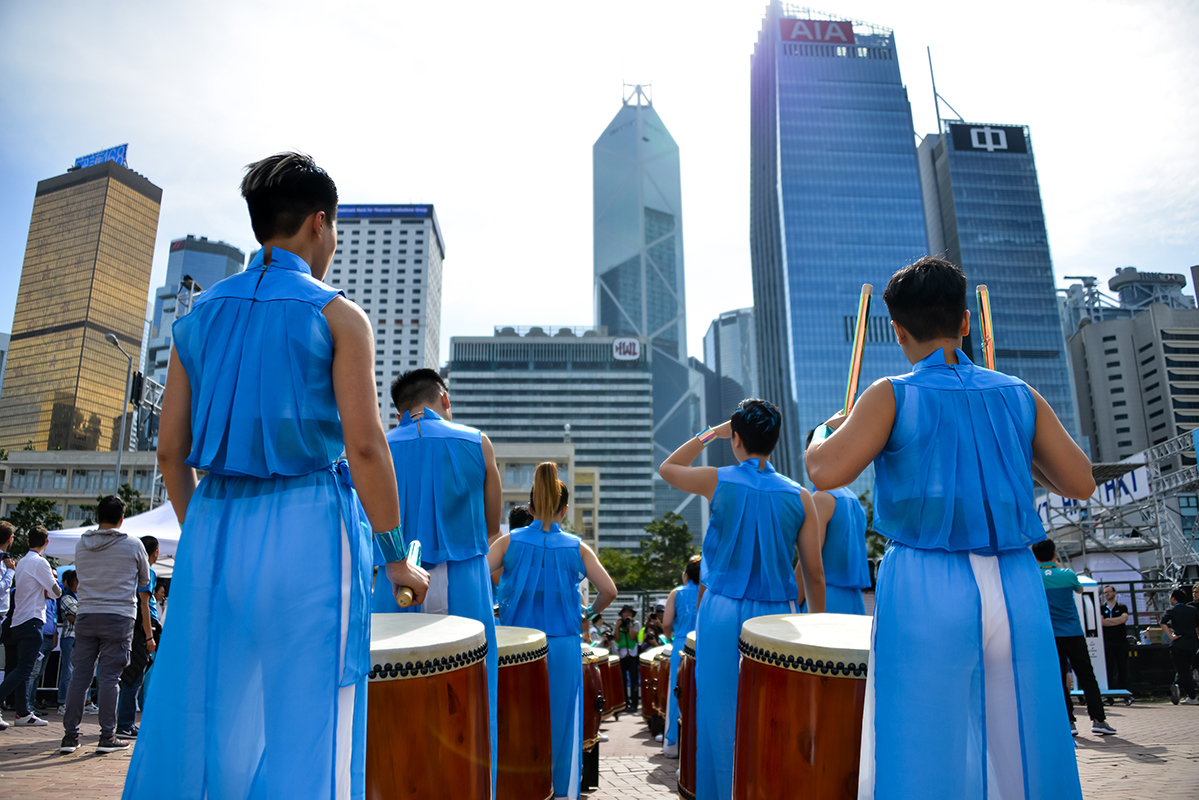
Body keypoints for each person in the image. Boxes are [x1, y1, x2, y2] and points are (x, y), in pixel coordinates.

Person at [121, 153, 428, 797]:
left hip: (214, 529)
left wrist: (202, 528)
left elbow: (170, 452)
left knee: (208, 711)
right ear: (320, 223)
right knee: (311, 716)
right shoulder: (337, 314)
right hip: (309, 525)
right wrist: (396, 557)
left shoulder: (195, 319)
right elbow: (367, 448)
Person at [805, 256, 1098, 799]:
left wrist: (825, 431)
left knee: (920, 738)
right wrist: (1018, 452)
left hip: (924, 577)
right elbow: (1079, 481)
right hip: (1015, 581)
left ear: (896, 330)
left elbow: (824, 471)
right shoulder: (1017, 392)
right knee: (1026, 739)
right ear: (966, 321)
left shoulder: (891, 392)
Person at [660, 400, 824, 800]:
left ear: (736, 437)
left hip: (719, 610)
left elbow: (668, 468)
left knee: (719, 717)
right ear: (775, 440)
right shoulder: (800, 496)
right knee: (772, 718)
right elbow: (814, 574)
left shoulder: (719, 480)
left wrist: (710, 433)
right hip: (776, 617)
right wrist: (819, 630)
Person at [372, 368, 502, 793]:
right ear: (443, 399)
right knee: (475, 696)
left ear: (399, 411)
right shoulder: (477, 441)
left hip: (395, 578)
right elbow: (492, 525)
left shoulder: (380, 447)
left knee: (391, 700)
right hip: (465, 575)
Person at [489, 462, 618, 800]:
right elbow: (609, 590)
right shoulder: (577, 547)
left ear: (530, 508)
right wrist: (587, 613)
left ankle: (516, 789)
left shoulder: (509, 542)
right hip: (563, 645)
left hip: (517, 647)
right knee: (562, 724)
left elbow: (479, 572)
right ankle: (561, 792)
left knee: (516, 719)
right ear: (564, 509)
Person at [59, 496, 150, 753]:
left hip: (86, 613)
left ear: (98, 516)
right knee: (110, 677)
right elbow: (144, 579)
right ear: (122, 519)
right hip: (119, 616)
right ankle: (107, 737)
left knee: (80, 677)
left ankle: (69, 736)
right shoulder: (133, 545)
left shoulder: (81, 544)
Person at [1031, 539, 1115, 736]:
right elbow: (1080, 589)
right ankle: (1098, 720)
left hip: (1051, 636)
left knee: (1058, 678)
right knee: (1087, 676)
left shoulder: (1034, 577)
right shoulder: (1068, 575)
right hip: (1073, 633)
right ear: (1054, 554)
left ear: (1034, 557)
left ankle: (1069, 722)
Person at [0, 527, 62, 729]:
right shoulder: (40, 562)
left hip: (18, 621)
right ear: (47, 542)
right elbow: (56, 592)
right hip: (32, 620)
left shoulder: (23, 562)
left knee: (23, 669)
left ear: (28, 541)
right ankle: (19, 710)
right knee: (24, 668)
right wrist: (51, 584)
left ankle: (23, 713)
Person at [116, 535, 160, 737]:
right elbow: (144, 604)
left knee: (131, 676)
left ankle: (125, 723)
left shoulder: (131, 570)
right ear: (155, 552)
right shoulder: (147, 571)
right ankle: (125, 724)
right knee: (133, 678)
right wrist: (149, 636)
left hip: (131, 625)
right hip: (141, 628)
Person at [661, 555, 700, 758]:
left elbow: (666, 623)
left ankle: (673, 746)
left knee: (678, 691)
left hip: (681, 645)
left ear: (686, 575)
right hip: (704, 644)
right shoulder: (709, 592)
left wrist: (671, 638)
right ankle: (697, 744)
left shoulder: (677, 593)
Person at [1160, 587, 1199, 705]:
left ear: (1173, 598)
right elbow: (1196, 626)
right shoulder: (1192, 610)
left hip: (1179, 643)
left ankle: (1189, 693)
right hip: (1192, 644)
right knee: (1188, 668)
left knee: (1182, 670)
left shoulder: (1171, 611)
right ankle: (1181, 688)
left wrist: (1171, 637)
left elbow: (1162, 622)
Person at [25, 596, 58, 711]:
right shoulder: (40, 597)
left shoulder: (53, 600)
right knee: (33, 673)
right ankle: (27, 705)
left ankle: (32, 703)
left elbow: (53, 618)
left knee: (39, 674)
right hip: (40, 637)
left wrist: (55, 634)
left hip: (49, 638)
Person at [56, 571, 79, 715]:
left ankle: (75, 701)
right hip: (69, 637)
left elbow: (80, 615)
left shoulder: (78, 597)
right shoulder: (66, 598)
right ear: (76, 582)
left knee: (77, 671)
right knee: (68, 671)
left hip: (79, 638)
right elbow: (83, 614)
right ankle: (63, 702)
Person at [1101, 585, 1130, 692]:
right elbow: (1101, 622)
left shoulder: (1122, 607)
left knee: (1122, 667)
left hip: (1121, 641)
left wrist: (1108, 621)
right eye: (1105, 592)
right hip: (1108, 641)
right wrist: (1116, 621)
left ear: (1114, 593)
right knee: (1109, 667)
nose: (1107, 594)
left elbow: (1124, 619)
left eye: (1109, 592)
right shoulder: (1101, 608)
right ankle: (1110, 691)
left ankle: (1123, 690)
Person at [614, 606, 640, 712]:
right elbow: (616, 639)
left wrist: (630, 624)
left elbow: (633, 637)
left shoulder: (636, 624)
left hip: (632, 655)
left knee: (634, 680)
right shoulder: (618, 624)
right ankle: (624, 703)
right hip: (622, 655)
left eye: (629, 612)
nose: (627, 614)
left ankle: (634, 704)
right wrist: (616, 627)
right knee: (622, 680)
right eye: (625, 613)